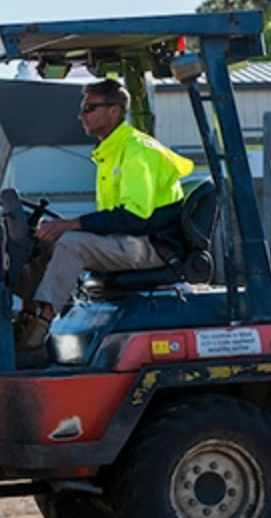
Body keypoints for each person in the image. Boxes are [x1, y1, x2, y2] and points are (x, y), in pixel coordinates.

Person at [15, 78, 194, 363]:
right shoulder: (110, 152)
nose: (81, 115)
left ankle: (41, 322)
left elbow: (134, 217)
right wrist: (63, 227)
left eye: (89, 108)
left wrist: (73, 224)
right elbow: (114, 219)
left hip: (153, 245)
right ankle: (36, 314)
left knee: (72, 242)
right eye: (82, 108)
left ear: (114, 111)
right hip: (130, 240)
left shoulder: (137, 151)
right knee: (44, 241)